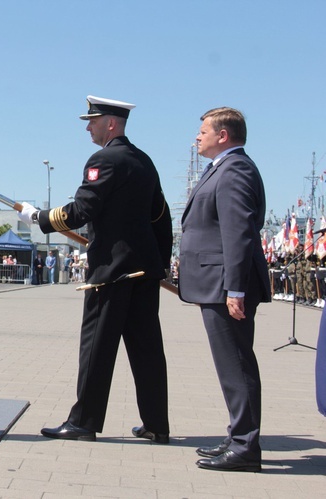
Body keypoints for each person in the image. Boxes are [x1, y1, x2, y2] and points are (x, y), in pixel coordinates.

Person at [18, 95, 173, 443]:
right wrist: (159, 265)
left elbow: (83, 209)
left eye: (93, 120)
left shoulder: (104, 159)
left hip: (112, 274)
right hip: (143, 273)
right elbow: (162, 218)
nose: (88, 127)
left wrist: (38, 218)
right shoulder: (144, 162)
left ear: (111, 124)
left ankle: (83, 423)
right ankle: (156, 424)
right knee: (147, 350)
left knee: (96, 349)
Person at [179, 107, 269, 472]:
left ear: (224, 136)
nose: (197, 137)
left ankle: (246, 446)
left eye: (203, 131)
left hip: (225, 285)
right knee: (230, 362)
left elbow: (238, 232)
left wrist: (235, 289)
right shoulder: (222, 168)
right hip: (215, 282)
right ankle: (238, 436)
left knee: (236, 362)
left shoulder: (235, 171)